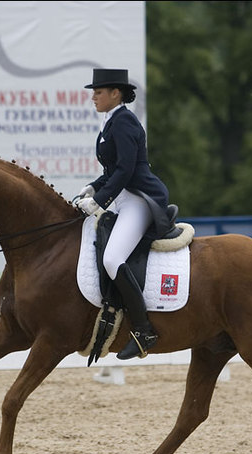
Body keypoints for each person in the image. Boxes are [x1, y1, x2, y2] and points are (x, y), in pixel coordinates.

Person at [75, 68, 170, 360]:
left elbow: (126, 170)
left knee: (113, 259)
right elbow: (112, 170)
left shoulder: (124, 121)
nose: (93, 97)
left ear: (115, 93)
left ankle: (143, 329)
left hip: (140, 200)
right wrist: (92, 188)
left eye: (98, 92)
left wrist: (100, 200)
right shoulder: (111, 122)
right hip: (123, 198)